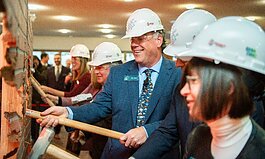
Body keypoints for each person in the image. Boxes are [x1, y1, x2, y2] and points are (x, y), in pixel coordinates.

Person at [38, 8, 182, 158]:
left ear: (159, 39)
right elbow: (99, 106)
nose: (134, 44)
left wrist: (146, 131)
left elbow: (178, 120)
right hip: (119, 154)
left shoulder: (177, 74)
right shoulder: (119, 73)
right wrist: (68, 112)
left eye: (140, 38)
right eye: (132, 39)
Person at [132, 9, 217, 159]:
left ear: (208, 59)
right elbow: (168, 131)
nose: (177, 64)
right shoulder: (181, 91)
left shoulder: (242, 100)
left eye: (183, 60)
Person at [179, 17, 265, 158]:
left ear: (229, 87)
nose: (183, 91)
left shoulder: (259, 151)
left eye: (193, 81)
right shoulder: (197, 137)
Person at [46, 53, 70, 139]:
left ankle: (57, 132)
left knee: (60, 114)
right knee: (51, 113)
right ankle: (50, 131)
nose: (57, 60)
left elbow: (69, 85)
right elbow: (47, 82)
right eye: (55, 58)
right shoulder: (49, 70)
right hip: (50, 96)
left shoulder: (67, 70)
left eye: (58, 58)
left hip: (62, 96)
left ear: (61, 59)